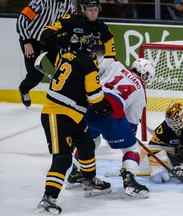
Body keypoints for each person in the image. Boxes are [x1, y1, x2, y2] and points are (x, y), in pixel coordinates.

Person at [36, 31, 112, 214]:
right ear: (88, 48)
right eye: (95, 48)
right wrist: (103, 106)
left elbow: (74, 84)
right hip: (56, 113)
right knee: (63, 158)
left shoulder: (67, 56)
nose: (97, 52)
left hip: (74, 114)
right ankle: (48, 198)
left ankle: (88, 179)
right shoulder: (88, 64)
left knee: (86, 145)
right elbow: (95, 97)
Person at [68, 57, 155, 198]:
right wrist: (126, 135)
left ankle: (76, 172)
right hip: (109, 113)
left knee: (90, 140)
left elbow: (92, 75)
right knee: (131, 148)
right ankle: (130, 182)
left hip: (88, 106)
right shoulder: (140, 92)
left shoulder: (115, 64)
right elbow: (132, 124)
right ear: (146, 76)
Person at [16, 0, 75, 107]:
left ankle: (61, 98)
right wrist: (26, 41)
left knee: (60, 69)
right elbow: (22, 20)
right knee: (36, 75)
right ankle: (24, 89)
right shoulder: (41, 2)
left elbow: (72, 22)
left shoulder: (68, 4)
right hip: (32, 39)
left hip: (50, 40)